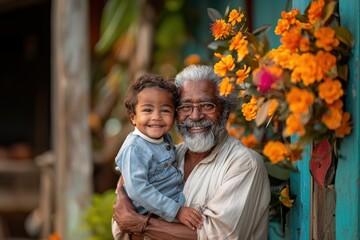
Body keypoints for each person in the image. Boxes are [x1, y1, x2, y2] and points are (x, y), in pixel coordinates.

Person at [113, 65, 271, 239]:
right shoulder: (168, 155)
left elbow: (220, 236)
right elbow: (120, 221)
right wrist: (132, 220)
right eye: (185, 107)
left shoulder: (243, 164)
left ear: (225, 111)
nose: (195, 116)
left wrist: (141, 223)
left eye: (207, 105)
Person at [113, 74, 203, 240]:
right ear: (133, 117)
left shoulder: (165, 139)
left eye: (165, 110)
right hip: (153, 215)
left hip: (171, 208)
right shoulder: (134, 149)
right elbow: (138, 191)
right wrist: (176, 211)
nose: (156, 117)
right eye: (147, 110)